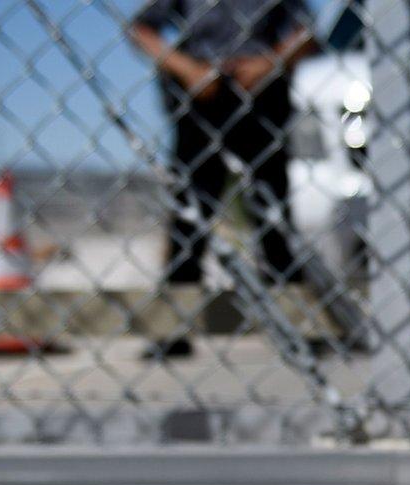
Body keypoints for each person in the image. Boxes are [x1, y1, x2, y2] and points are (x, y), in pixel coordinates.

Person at [129, 0, 320, 358]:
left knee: (273, 214)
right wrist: (186, 69)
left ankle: (294, 324)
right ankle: (173, 328)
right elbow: (141, 29)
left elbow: (307, 34)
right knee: (190, 216)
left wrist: (269, 62)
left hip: (261, 95)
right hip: (201, 96)